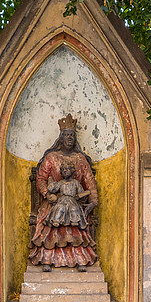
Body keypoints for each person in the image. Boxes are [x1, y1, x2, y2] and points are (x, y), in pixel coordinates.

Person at [29, 115, 98, 271]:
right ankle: (48, 259)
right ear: (61, 138)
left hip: (75, 203)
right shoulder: (51, 157)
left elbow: (90, 182)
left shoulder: (80, 159)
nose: (69, 138)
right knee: (52, 219)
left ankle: (79, 260)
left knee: (76, 219)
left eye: (72, 135)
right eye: (66, 135)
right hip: (53, 202)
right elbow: (41, 179)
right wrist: (48, 194)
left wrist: (93, 201)